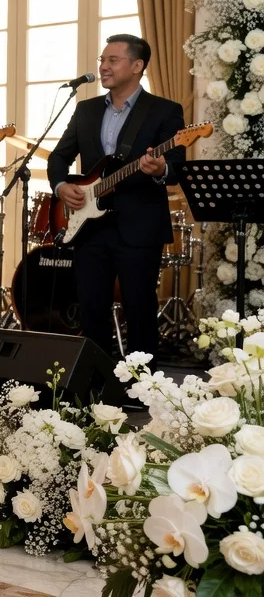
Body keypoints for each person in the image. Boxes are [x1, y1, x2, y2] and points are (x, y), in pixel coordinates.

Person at [49, 34, 184, 357]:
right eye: (102, 59)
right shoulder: (86, 109)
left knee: (139, 309)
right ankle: (94, 383)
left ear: (137, 66)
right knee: (91, 308)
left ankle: (142, 388)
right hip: (90, 227)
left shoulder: (165, 111)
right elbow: (58, 157)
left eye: (112, 60)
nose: (103, 66)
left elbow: (177, 167)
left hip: (138, 227)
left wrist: (159, 169)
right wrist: (62, 186)